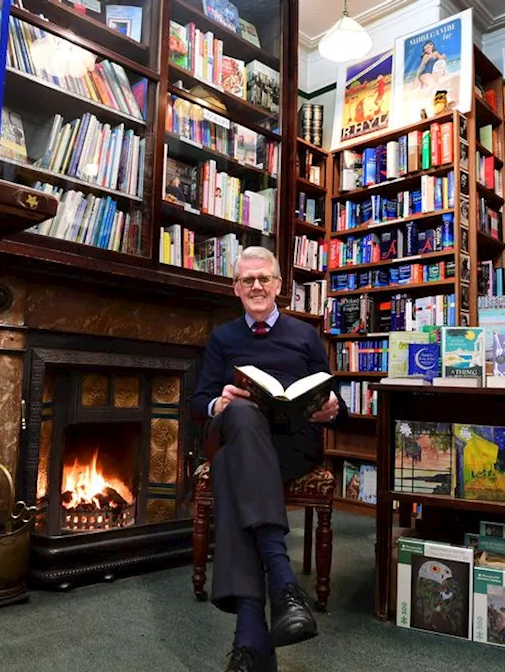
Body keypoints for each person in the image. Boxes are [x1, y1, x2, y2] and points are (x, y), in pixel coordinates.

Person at [193, 246, 347, 672]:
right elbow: (199, 400)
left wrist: (332, 407)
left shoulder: (305, 336)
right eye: (248, 280)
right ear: (235, 288)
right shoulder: (223, 338)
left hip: (293, 444)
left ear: (280, 286)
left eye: (264, 279)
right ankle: (283, 584)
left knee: (227, 468)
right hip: (241, 435)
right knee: (241, 413)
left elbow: (333, 397)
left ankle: (249, 639)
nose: (257, 286)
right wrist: (218, 403)